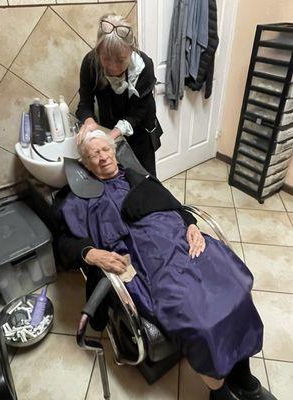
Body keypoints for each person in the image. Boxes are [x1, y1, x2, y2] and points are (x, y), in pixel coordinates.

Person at [57, 131, 276, 400]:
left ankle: (243, 378)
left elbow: (175, 205)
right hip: (147, 264)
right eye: (94, 154)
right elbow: (63, 243)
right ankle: (218, 393)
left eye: (106, 150)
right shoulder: (78, 200)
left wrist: (191, 225)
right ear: (85, 164)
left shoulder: (139, 177)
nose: (103, 157)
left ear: (114, 150)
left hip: (183, 243)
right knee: (201, 319)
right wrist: (90, 253)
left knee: (237, 292)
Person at [75, 13, 162, 176]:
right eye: (106, 60)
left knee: (144, 178)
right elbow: (84, 103)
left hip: (140, 130)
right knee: (116, 178)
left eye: (121, 60)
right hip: (109, 124)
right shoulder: (90, 63)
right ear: (98, 50)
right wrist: (89, 121)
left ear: (131, 50)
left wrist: (111, 136)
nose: (113, 68)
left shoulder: (144, 65)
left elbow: (139, 112)